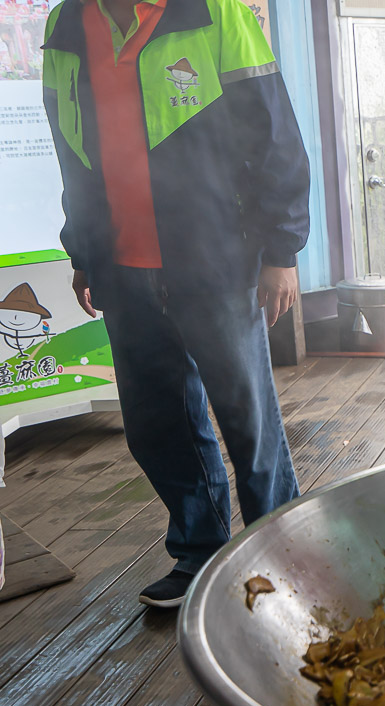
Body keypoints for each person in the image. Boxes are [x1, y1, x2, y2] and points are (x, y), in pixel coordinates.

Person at [42, 0, 310, 607]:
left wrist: (281, 251)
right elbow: (72, 154)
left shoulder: (214, 13)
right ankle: (200, 557)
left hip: (213, 259)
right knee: (157, 424)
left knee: (249, 420)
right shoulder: (65, 25)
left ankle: (284, 553)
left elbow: (275, 134)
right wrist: (83, 252)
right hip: (120, 266)